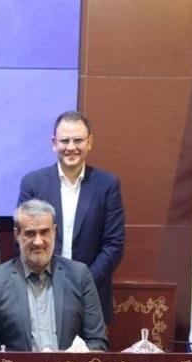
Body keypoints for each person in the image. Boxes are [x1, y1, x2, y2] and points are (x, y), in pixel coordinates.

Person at [17, 110, 125, 323]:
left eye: (78, 140)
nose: (71, 147)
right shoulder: (33, 183)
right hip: (40, 293)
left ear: (89, 142)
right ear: (54, 143)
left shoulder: (107, 185)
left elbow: (114, 245)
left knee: (89, 347)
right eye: (64, 141)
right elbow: (23, 238)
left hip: (91, 297)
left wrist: (83, 284)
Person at [0, 199, 108, 352]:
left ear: (54, 232)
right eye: (30, 233)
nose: (38, 242)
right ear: (17, 234)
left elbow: (97, 342)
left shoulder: (79, 275)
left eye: (44, 232)